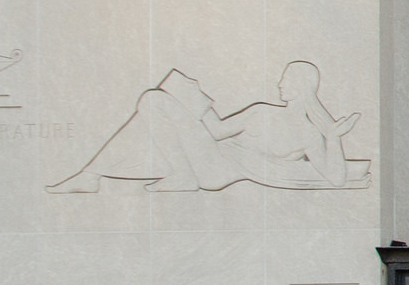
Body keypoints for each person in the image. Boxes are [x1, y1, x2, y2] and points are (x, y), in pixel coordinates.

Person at [50, 62, 367, 193]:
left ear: (299, 86)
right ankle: (91, 176)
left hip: (215, 167)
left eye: (286, 79)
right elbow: (215, 133)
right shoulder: (265, 113)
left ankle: (179, 176)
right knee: (150, 114)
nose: (280, 84)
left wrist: (333, 138)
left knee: (153, 100)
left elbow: (336, 178)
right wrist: (193, 97)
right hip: (212, 156)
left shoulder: (306, 133)